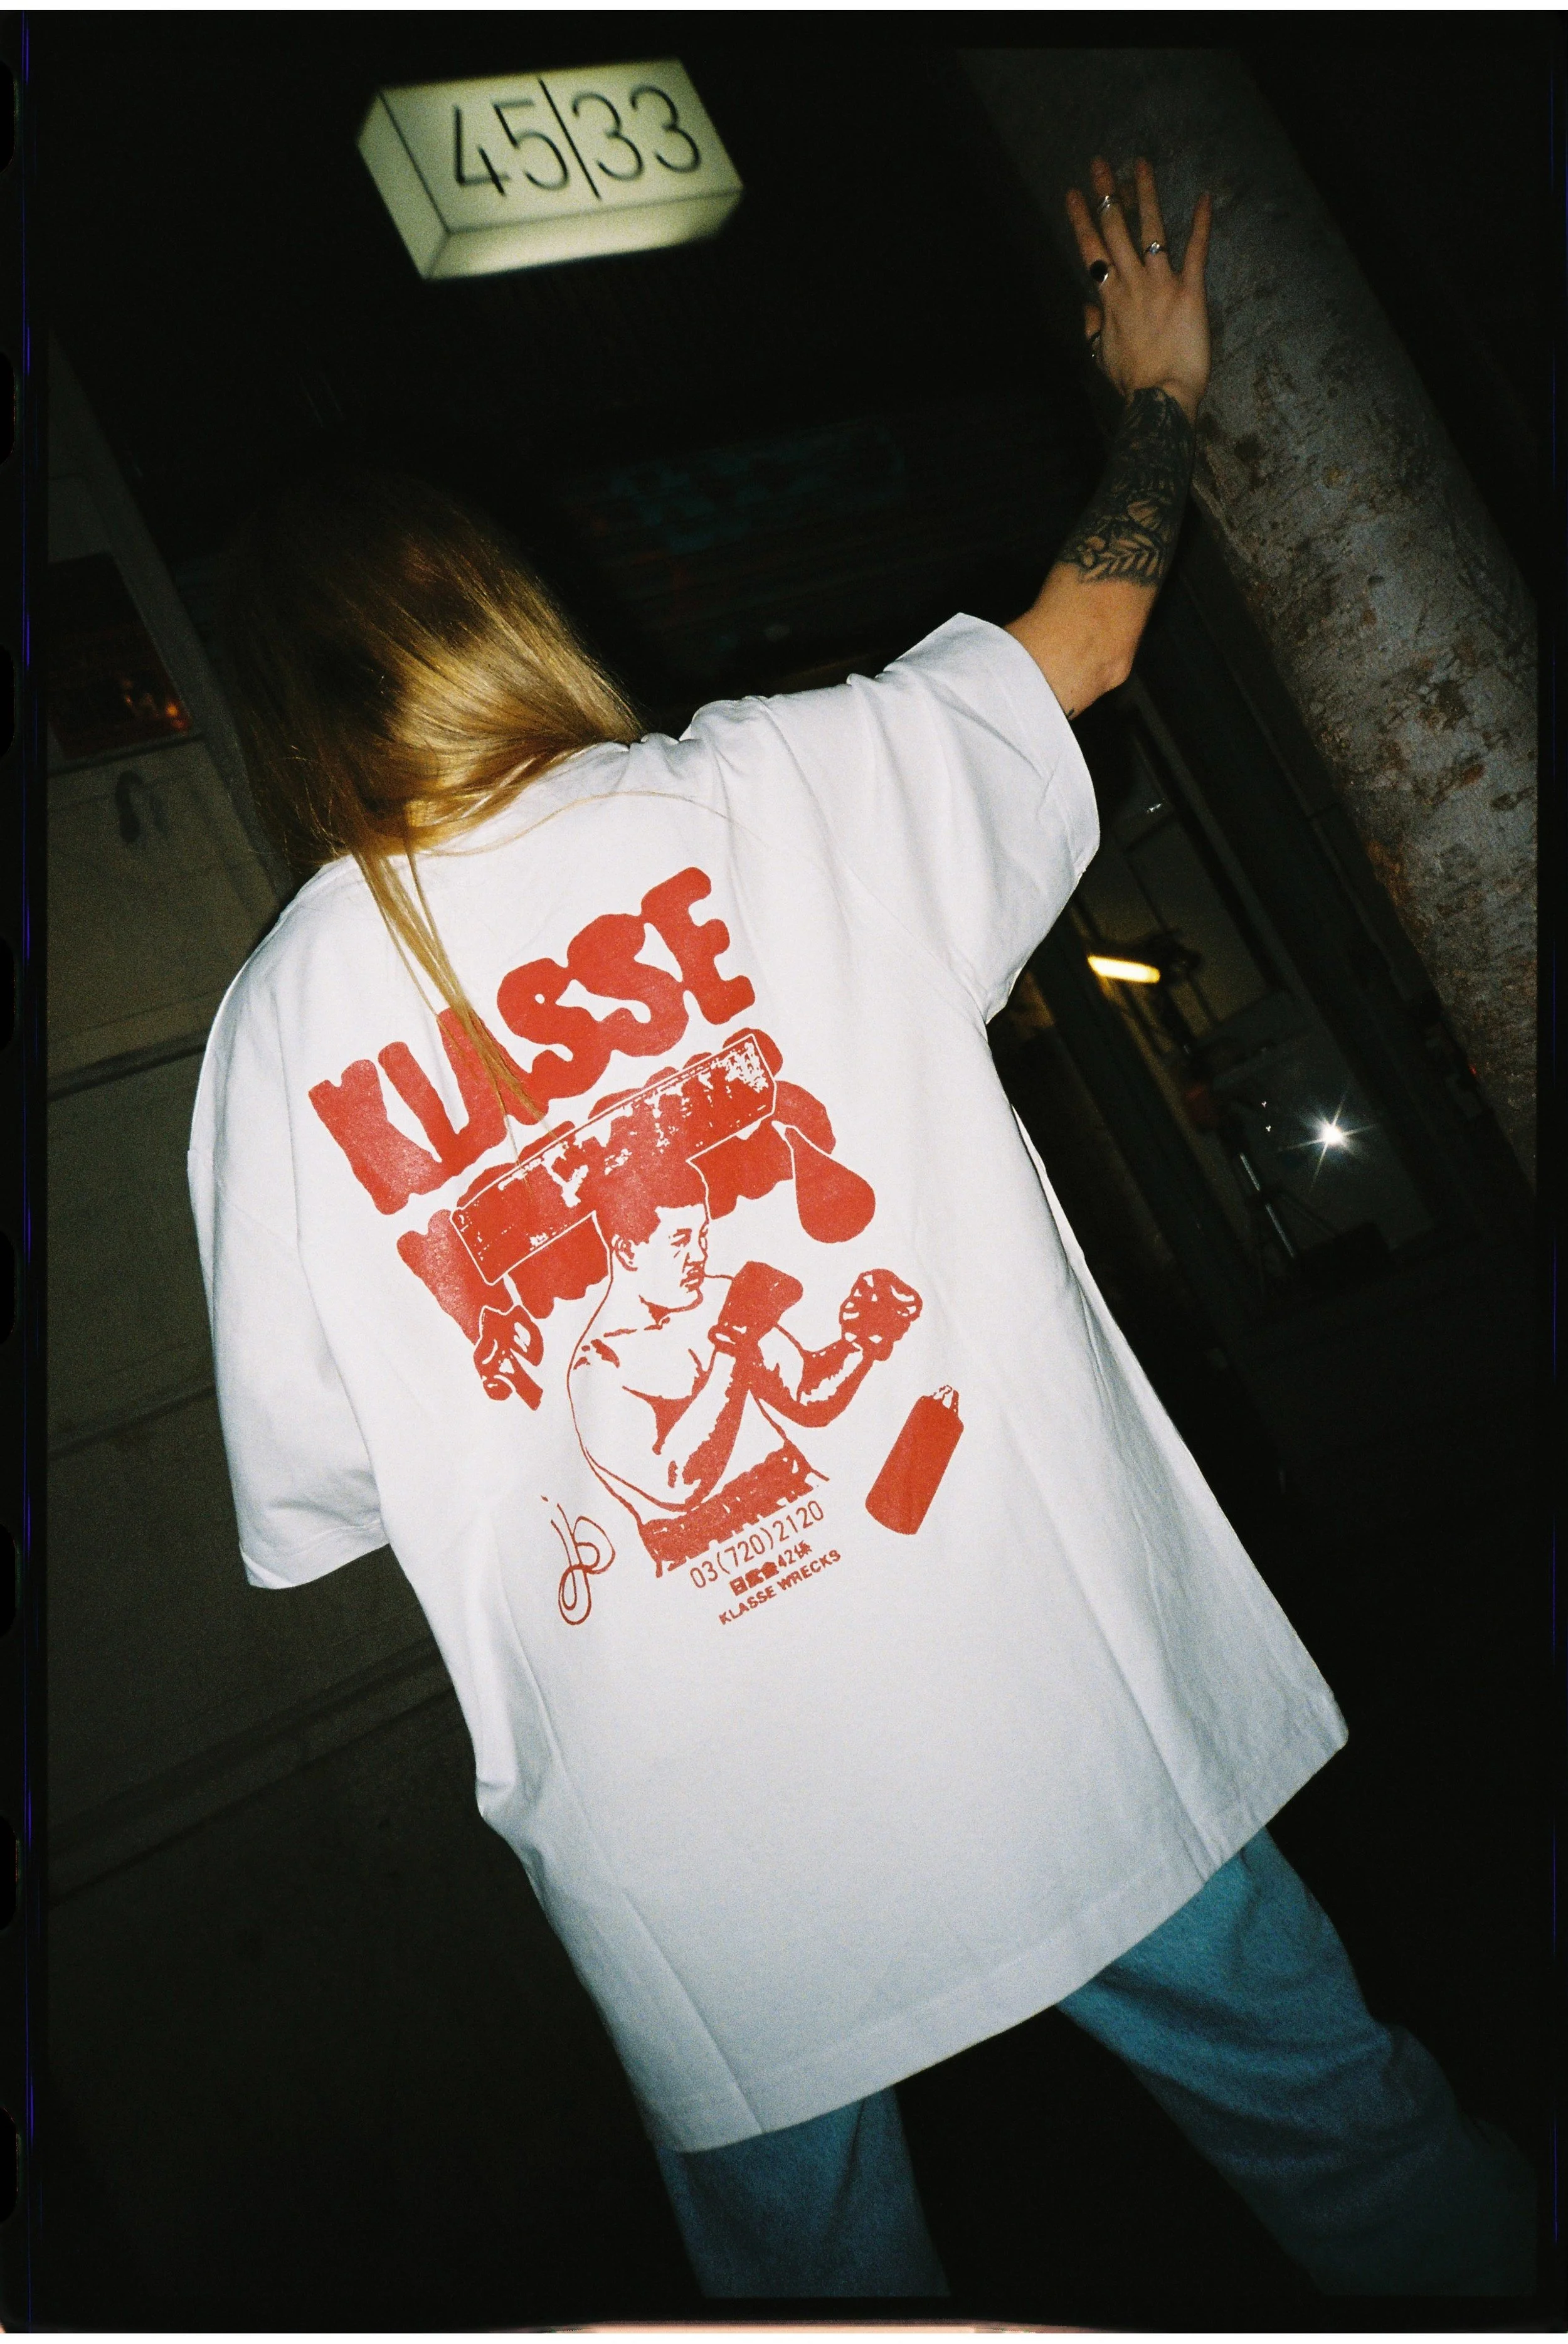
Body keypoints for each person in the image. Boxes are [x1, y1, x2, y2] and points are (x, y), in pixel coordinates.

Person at [192, 156, 1534, 2301]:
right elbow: (1085, 638)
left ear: (279, 716)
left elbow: (324, 1493)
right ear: (494, 602)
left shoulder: (269, 1043)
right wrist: (1155, 395)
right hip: (1021, 1686)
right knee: (1344, 2131)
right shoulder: (769, 794)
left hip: (695, 1840)